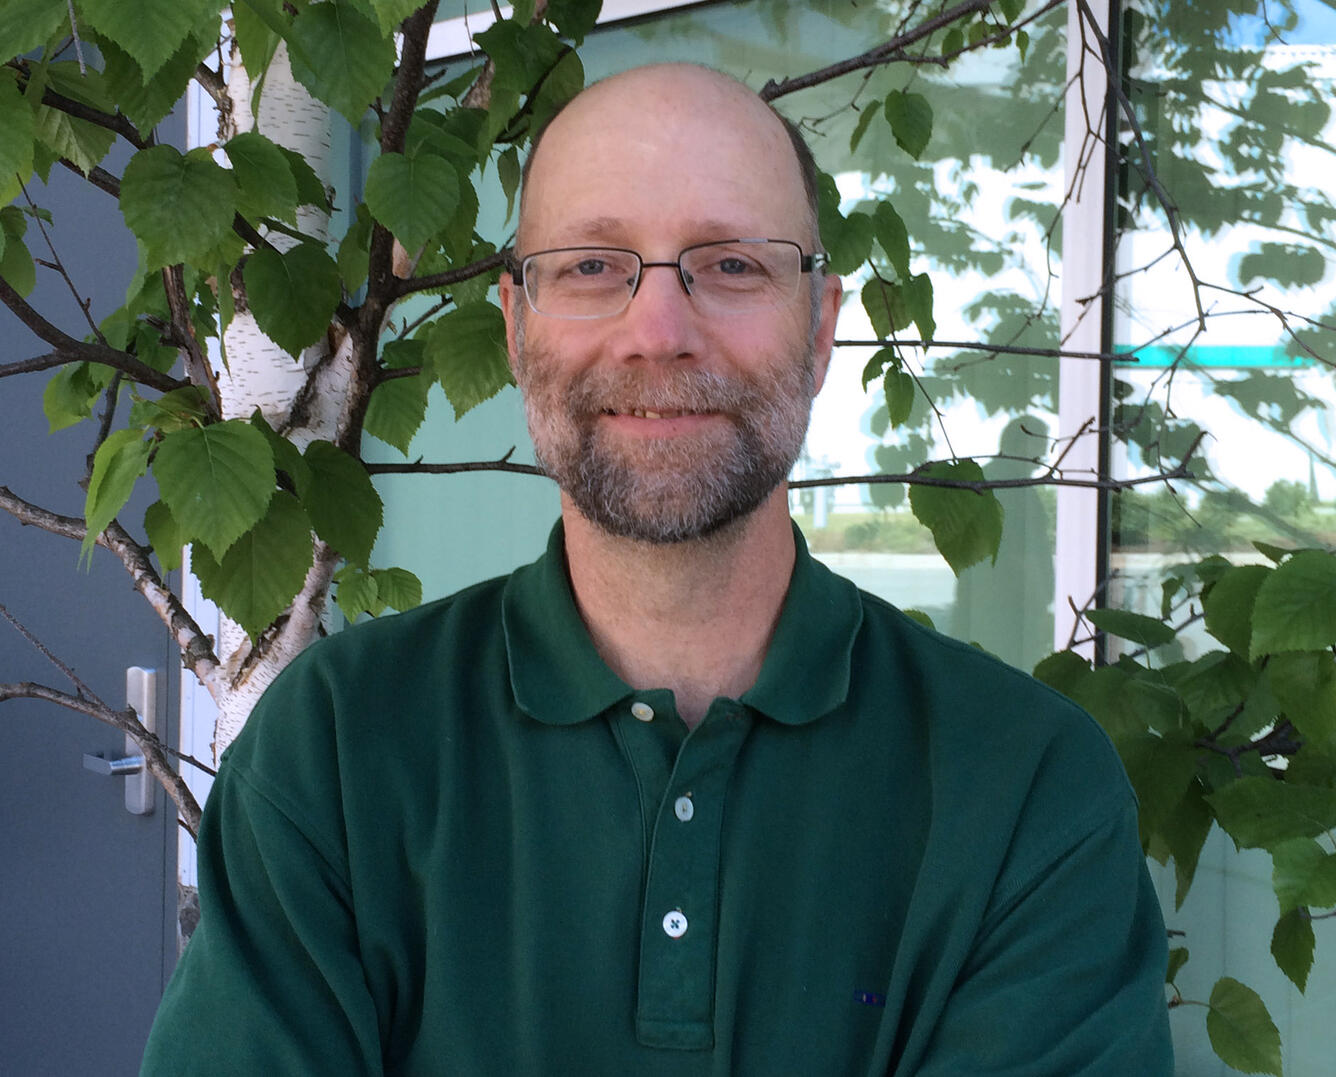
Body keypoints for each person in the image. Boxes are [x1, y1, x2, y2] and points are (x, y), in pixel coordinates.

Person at [142, 64, 1173, 1075]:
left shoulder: (1025, 784)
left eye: (729, 265)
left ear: (820, 329)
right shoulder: (338, 745)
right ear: (514, 324)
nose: (658, 332)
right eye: (592, 265)